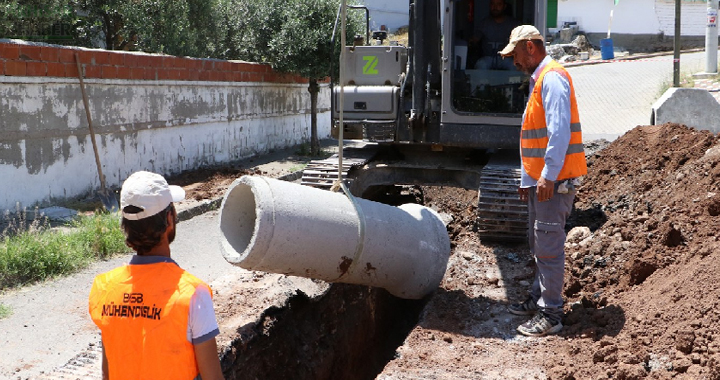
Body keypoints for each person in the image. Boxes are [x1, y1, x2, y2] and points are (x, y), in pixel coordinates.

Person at [88, 171, 225, 380]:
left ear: (126, 227)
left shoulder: (104, 288)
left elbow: (107, 373)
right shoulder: (193, 295)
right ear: (169, 219)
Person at [498, 25, 587, 337]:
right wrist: (528, 178)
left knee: (548, 246)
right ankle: (538, 298)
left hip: (555, 181)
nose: (514, 62)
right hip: (542, 181)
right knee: (538, 242)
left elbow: (559, 133)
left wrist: (547, 176)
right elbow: (532, 139)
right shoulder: (539, 81)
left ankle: (552, 314)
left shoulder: (552, 79)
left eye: (516, 54)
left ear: (530, 48)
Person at [472, 0, 520, 70]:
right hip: (488, 58)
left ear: (504, 6)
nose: (495, 7)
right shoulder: (484, 23)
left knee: (514, 66)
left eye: (499, 4)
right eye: (492, 4)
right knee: (481, 65)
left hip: (507, 58)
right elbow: (474, 40)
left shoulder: (513, 24)